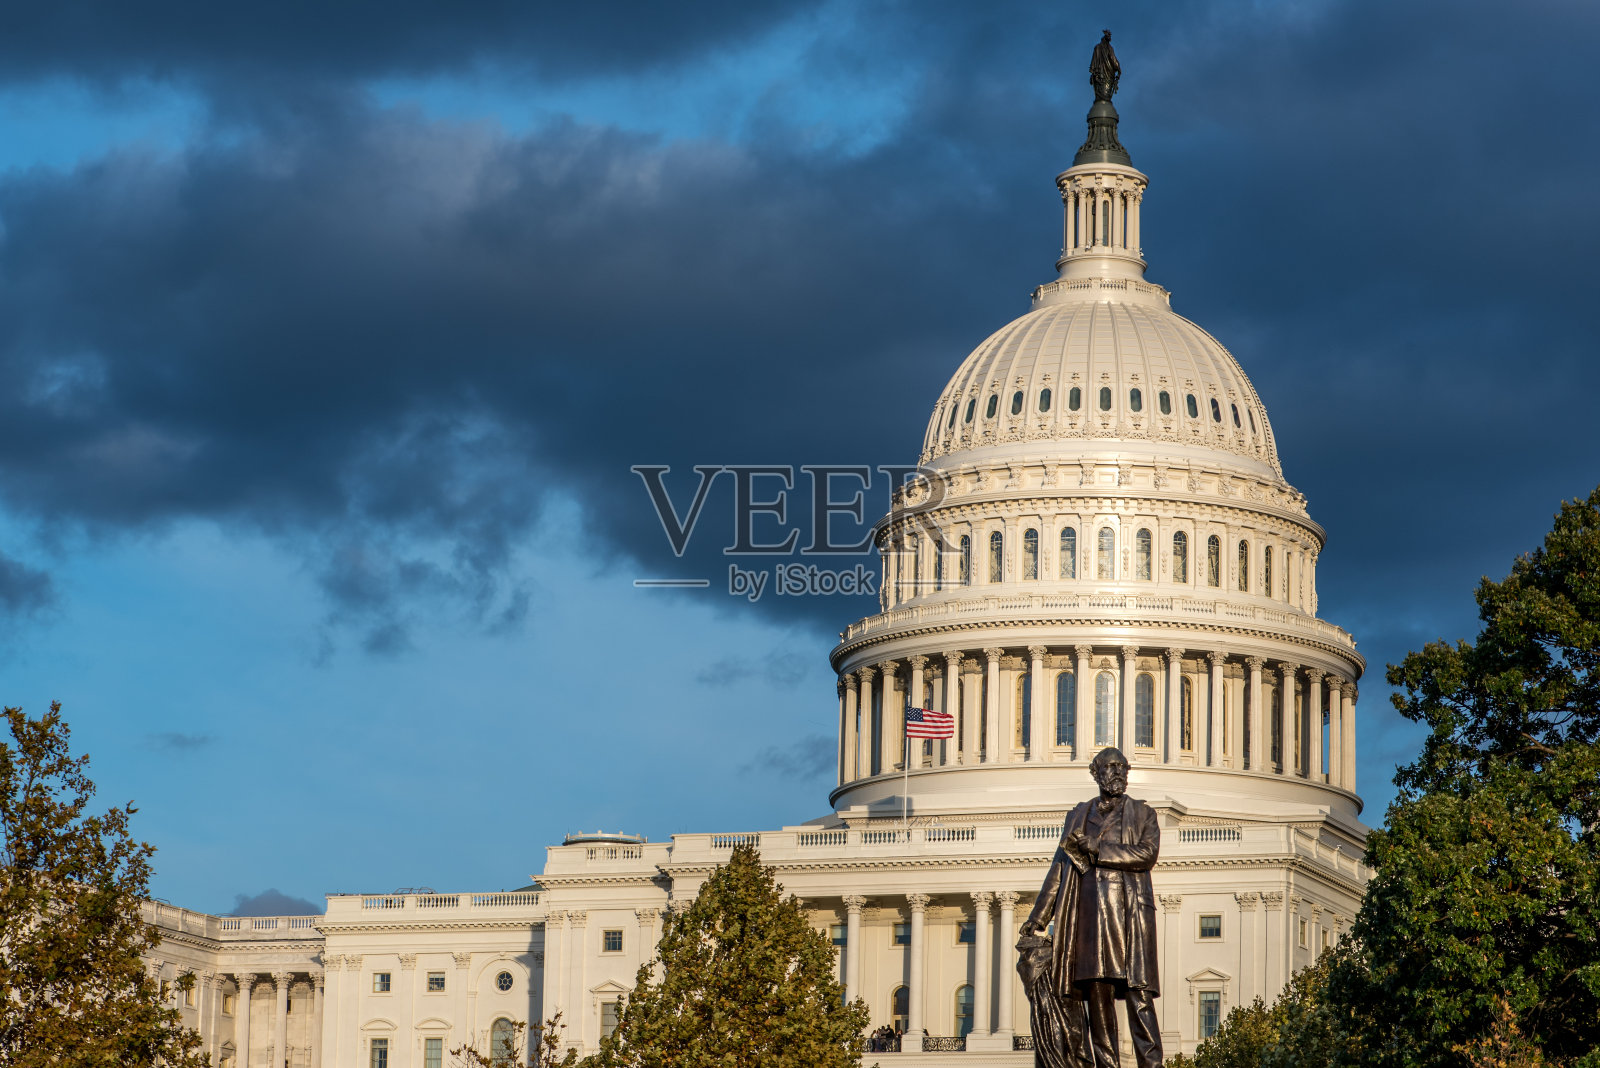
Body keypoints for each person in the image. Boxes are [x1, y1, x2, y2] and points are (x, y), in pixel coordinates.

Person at [1019, 748, 1162, 1068]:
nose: (1118, 773)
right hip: (1088, 920)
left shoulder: (1143, 813)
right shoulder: (1078, 816)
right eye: (1110, 767)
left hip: (1129, 916)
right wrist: (1038, 916)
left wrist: (1099, 847)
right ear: (1095, 773)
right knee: (1098, 1001)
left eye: (1122, 767)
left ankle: (1152, 1065)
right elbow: (1060, 868)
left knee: (1140, 998)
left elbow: (1146, 854)